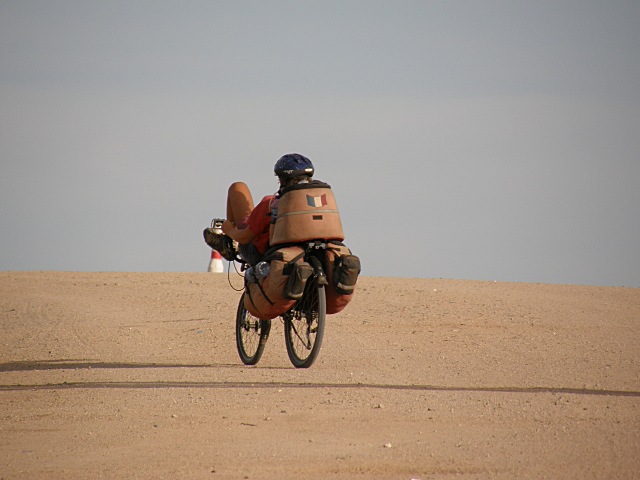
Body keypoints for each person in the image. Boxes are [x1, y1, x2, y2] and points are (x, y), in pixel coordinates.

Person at [203, 153, 315, 265]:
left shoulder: (271, 203)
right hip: (306, 251)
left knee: (237, 187)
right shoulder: (316, 204)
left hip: (264, 253)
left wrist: (228, 229)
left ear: (282, 180)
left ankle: (230, 243)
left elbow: (244, 238)